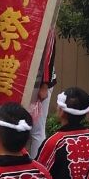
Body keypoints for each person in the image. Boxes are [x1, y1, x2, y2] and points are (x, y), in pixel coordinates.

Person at [28, 29, 57, 157]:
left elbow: (49, 54)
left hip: (39, 83)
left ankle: (37, 163)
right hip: (21, 80)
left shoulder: (47, 22)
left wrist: (44, 85)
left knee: (37, 129)